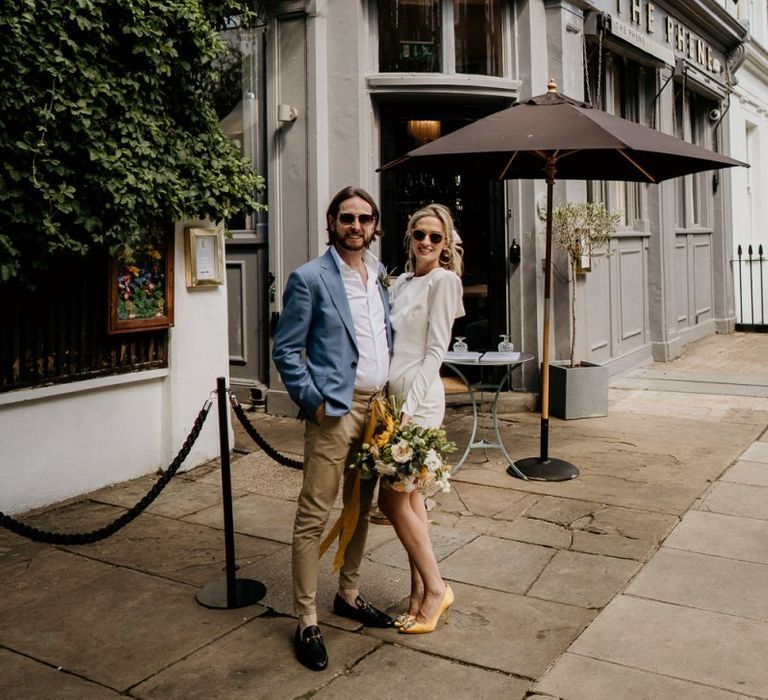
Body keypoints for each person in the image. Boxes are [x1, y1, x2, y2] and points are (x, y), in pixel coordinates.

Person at [272, 186, 395, 672]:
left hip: (377, 412)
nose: (356, 226)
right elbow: (286, 350)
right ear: (331, 221)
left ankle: (349, 592)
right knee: (314, 514)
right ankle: (306, 618)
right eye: (347, 218)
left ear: (375, 225)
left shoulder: (381, 274)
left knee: (360, 508)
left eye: (365, 219)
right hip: (335, 413)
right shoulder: (309, 278)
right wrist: (316, 403)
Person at [378, 203, 464, 634]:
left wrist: (409, 409)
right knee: (411, 499)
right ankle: (417, 594)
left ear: (445, 244)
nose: (427, 242)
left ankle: (436, 588)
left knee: (390, 499)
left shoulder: (444, 282)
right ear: (410, 237)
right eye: (420, 235)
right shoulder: (401, 282)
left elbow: (435, 353)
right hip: (394, 399)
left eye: (435, 237)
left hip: (420, 401)